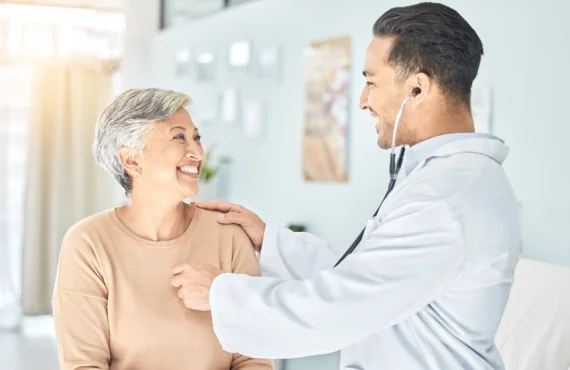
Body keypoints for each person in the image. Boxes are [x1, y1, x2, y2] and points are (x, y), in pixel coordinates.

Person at [170, 2, 522, 370]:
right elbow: (368, 275)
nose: (362, 101)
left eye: (371, 81)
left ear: (417, 90)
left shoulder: (447, 199)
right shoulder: (446, 180)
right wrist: (270, 241)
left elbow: (341, 307)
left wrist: (221, 295)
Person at [51, 89, 273, 370]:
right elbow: (83, 365)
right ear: (131, 160)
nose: (197, 152)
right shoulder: (88, 244)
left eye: (196, 137)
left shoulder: (228, 234)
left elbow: (254, 359)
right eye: (179, 136)